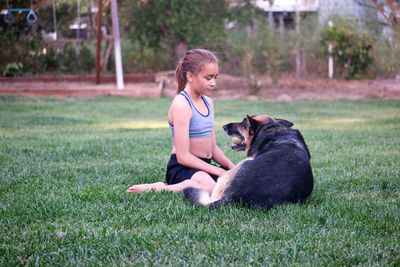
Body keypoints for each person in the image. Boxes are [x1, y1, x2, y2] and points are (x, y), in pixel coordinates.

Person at [127, 48, 235, 194]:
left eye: (216, 77)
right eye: (208, 78)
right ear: (190, 76)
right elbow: (183, 156)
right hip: (182, 168)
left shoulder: (208, 102)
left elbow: (213, 148)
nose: (213, 83)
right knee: (211, 189)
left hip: (204, 167)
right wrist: (218, 171)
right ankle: (161, 188)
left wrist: (232, 169)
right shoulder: (182, 104)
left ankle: (201, 181)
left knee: (237, 185)